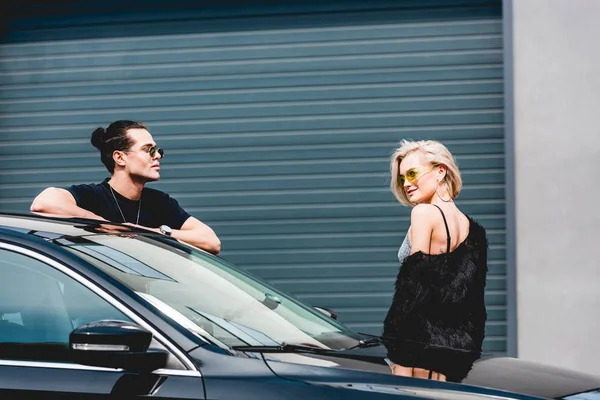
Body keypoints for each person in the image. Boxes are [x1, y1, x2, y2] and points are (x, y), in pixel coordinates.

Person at [382, 139, 488, 382]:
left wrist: (395, 349)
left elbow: (412, 291)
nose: (406, 183)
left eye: (411, 173)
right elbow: (474, 306)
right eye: (402, 178)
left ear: (441, 171)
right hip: (456, 357)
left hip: (415, 354)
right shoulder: (473, 230)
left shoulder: (423, 213)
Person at [30, 120, 221, 254]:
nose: (158, 156)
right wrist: (107, 225)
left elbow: (211, 242)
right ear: (120, 157)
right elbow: (43, 203)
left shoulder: (159, 203)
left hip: (140, 301)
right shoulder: (93, 196)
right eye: (149, 150)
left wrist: (154, 232)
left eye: (158, 150)